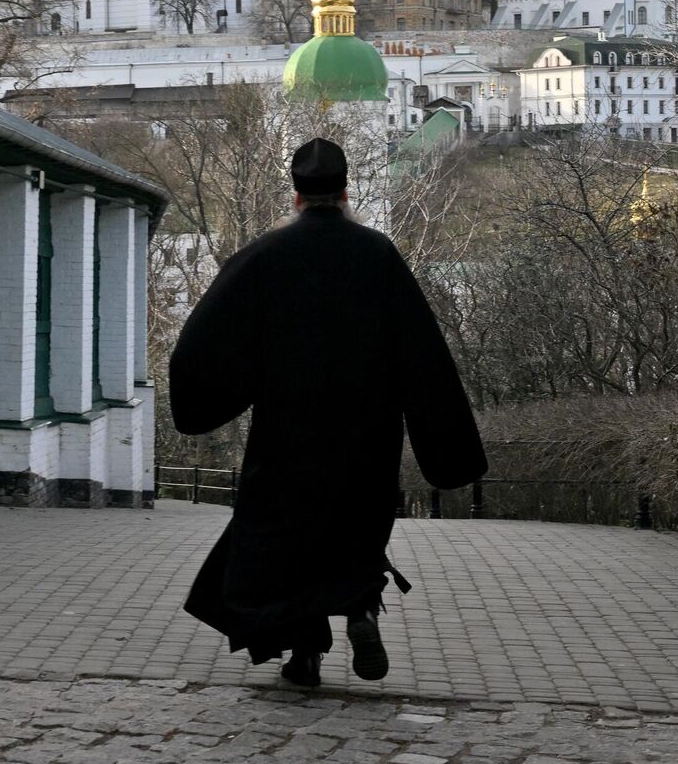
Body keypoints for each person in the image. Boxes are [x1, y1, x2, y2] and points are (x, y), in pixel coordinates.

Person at [168, 137, 485, 687]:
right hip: (366, 435)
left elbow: (201, 341)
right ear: (345, 193)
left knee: (284, 541)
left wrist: (233, 387)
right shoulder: (378, 254)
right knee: (352, 529)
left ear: (296, 196)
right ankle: (360, 608)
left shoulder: (264, 257)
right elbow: (422, 354)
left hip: (287, 435)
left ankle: (305, 657)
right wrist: (447, 445)